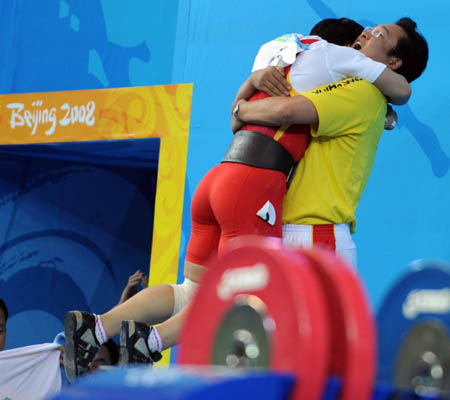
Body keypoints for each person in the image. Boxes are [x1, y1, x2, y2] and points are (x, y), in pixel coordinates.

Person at [62, 17, 417, 381]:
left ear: (392, 61)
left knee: (198, 293)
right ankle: (148, 341)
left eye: (377, 36)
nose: (364, 38)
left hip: (224, 179)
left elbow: (268, 112)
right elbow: (294, 109)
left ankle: (99, 328)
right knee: (245, 307)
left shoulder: (321, 75)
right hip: (278, 208)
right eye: (360, 38)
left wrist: (243, 99)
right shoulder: (347, 85)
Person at [231, 17, 428, 267]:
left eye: (379, 33)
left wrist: (240, 109)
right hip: (293, 230)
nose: (367, 33)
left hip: (315, 235)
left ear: (393, 63)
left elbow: (285, 111)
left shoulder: (362, 92)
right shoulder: (352, 87)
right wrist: (254, 81)